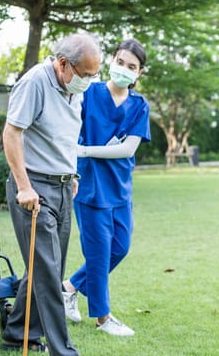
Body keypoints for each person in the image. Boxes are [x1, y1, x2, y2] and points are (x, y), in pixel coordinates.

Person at [0, 32, 102, 355]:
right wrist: (24, 186)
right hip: (34, 190)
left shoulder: (75, 89)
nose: (89, 82)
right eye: (85, 75)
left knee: (49, 269)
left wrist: (70, 173)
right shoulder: (35, 83)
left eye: (93, 75)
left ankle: (17, 332)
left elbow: (65, 136)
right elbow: (11, 133)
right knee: (48, 275)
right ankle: (63, 350)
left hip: (62, 187)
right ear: (62, 64)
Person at [61, 38, 150, 337]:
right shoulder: (89, 94)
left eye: (132, 67)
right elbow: (69, 129)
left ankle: (69, 287)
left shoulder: (140, 106)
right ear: (112, 61)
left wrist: (85, 151)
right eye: (121, 62)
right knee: (99, 254)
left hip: (120, 189)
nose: (124, 69)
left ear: (139, 74)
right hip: (90, 188)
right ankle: (103, 317)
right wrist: (75, 161)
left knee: (119, 248)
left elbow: (128, 149)